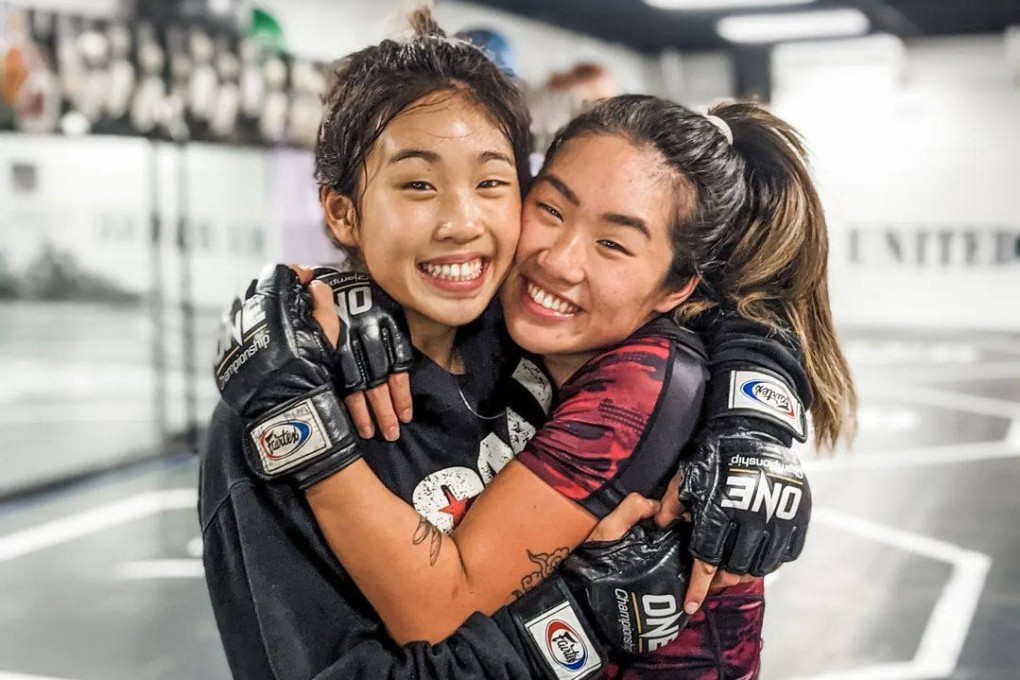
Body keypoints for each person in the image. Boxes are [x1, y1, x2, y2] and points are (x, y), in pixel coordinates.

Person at [201, 11, 850, 680]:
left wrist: (752, 416)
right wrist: (575, 622)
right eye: (551, 209)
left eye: (491, 183)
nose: (462, 221)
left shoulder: (609, 361)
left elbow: (725, 315)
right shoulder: (305, 392)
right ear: (340, 211)